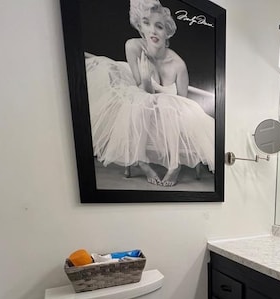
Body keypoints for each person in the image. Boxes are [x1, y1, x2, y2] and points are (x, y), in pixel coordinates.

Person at [84, 0, 214, 187]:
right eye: (146, 23)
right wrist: (145, 80)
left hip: (169, 113)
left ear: (166, 32)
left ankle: (174, 165)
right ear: (140, 27)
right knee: (139, 100)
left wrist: (160, 98)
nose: (152, 31)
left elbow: (182, 105)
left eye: (159, 26)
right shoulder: (133, 47)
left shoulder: (179, 65)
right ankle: (142, 161)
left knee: (172, 106)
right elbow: (142, 91)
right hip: (142, 101)